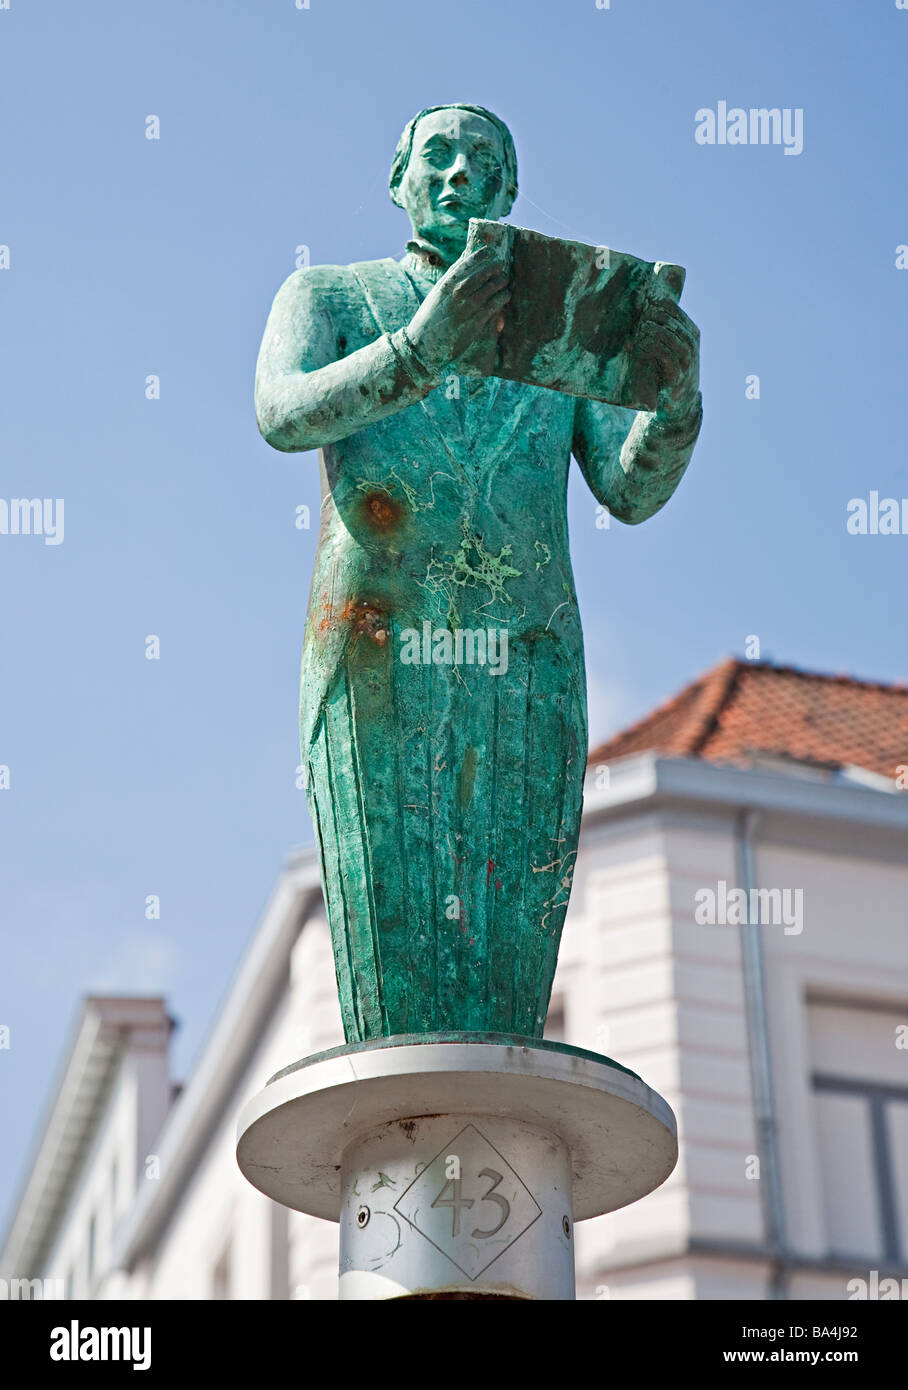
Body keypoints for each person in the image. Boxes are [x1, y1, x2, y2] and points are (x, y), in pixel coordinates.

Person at [254, 104, 702, 1042]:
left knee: (509, 957)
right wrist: (421, 347)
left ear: (509, 193)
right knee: (389, 934)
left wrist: (675, 405)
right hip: (378, 641)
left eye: (485, 161)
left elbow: (627, 491)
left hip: (526, 658)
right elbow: (283, 413)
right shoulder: (330, 296)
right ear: (398, 179)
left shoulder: (554, 338)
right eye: (440, 156)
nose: (461, 173)